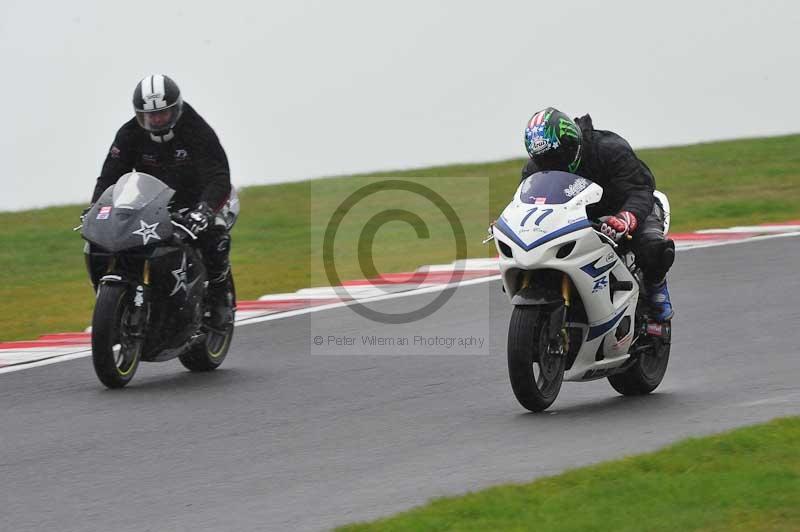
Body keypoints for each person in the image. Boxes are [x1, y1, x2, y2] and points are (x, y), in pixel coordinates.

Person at [85, 74, 233, 327]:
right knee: (99, 242)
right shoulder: (129, 133)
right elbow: (110, 175)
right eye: (149, 115)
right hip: (150, 204)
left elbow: (219, 176)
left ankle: (220, 298)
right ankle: (114, 300)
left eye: (162, 113)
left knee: (214, 235)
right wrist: (96, 207)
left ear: (176, 108)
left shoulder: (196, 129)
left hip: (196, 201)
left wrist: (204, 211)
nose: (155, 119)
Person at [521, 107, 674, 321]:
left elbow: (641, 189)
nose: (551, 164)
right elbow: (529, 203)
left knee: (653, 246)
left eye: (556, 156)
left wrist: (627, 217)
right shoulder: (534, 169)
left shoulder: (609, 149)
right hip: (577, 220)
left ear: (571, 144)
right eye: (543, 160)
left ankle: (656, 284)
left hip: (625, 209)